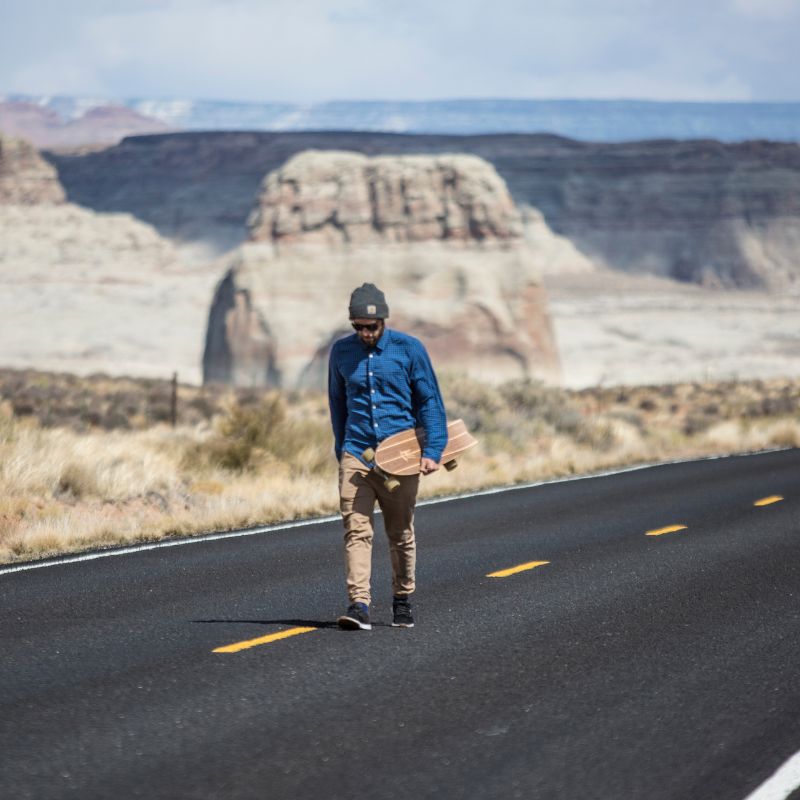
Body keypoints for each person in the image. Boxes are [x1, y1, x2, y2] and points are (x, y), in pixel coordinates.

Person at [328, 283, 447, 631]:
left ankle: (402, 597)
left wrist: (434, 450)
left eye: (370, 327)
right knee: (356, 530)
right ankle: (359, 604)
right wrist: (342, 451)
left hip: (402, 455)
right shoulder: (340, 352)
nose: (364, 333)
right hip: (358, 453)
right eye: (358, 327)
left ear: (383, 320)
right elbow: (337, 404)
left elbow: (430, 402)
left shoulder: (409, 349)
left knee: (399, 532)